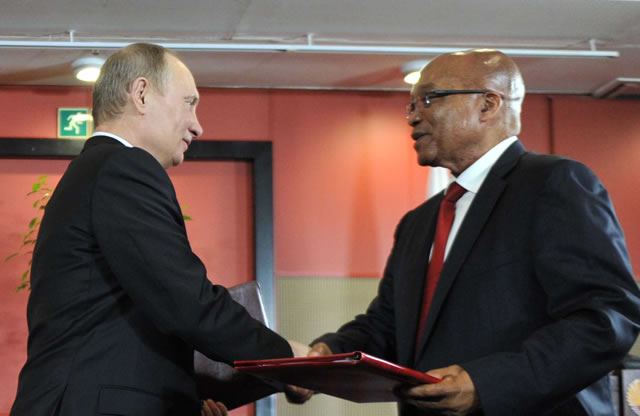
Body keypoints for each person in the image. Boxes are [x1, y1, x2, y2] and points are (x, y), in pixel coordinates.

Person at [291, 49, 640, 415]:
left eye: (428, 99)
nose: (412, 117)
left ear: (488, 105)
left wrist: (487, 383)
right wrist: (326, 356)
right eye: (410, 105)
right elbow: (387, 326)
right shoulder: (418, 222)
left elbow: (607, 316)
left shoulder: (554, 183)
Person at [10, 43, 300, 416]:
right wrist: (288, 359)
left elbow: (120, 322)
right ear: (142, 94)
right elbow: (186, 301)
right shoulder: (125, 167)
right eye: (189, 102)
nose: (198, 124)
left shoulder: (94, 171)